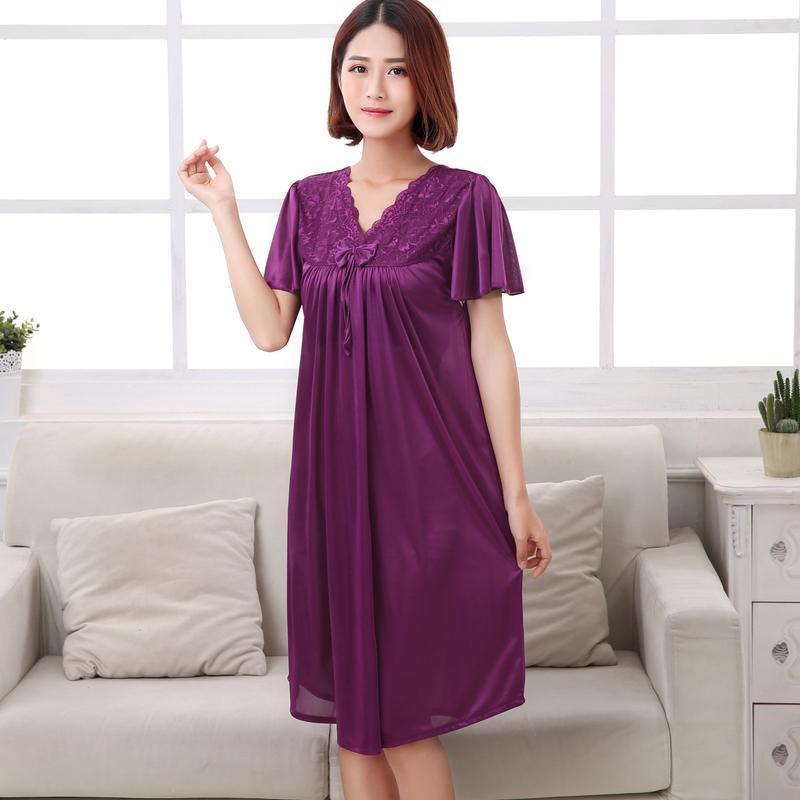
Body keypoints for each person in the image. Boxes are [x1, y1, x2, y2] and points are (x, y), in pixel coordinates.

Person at [178, 2, 552, 797]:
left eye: (397, 69)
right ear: (338, 79)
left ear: (426, 81)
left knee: (406, 725)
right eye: (358, 68)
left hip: (432, 489)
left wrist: (516, 496)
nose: (374, 88)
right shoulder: (307, 202)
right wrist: (223, 212)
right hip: (335, 490)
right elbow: (270, 329)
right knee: (357, 725)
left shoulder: (467, 199)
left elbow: (491, 349)